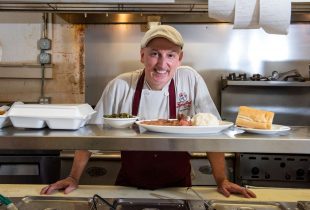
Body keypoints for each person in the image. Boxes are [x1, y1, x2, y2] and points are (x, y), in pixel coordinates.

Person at [41, 25, 256, 198]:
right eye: (155, 54)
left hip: (179, 188)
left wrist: (222, 180)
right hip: (128, 186)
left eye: (170, 55)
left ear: (180, 59)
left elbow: (213, 132)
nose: (162, 64)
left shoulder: (190, 80)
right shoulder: (121, 85)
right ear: (142, 55)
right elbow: (91, 134)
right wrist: (73, 178)